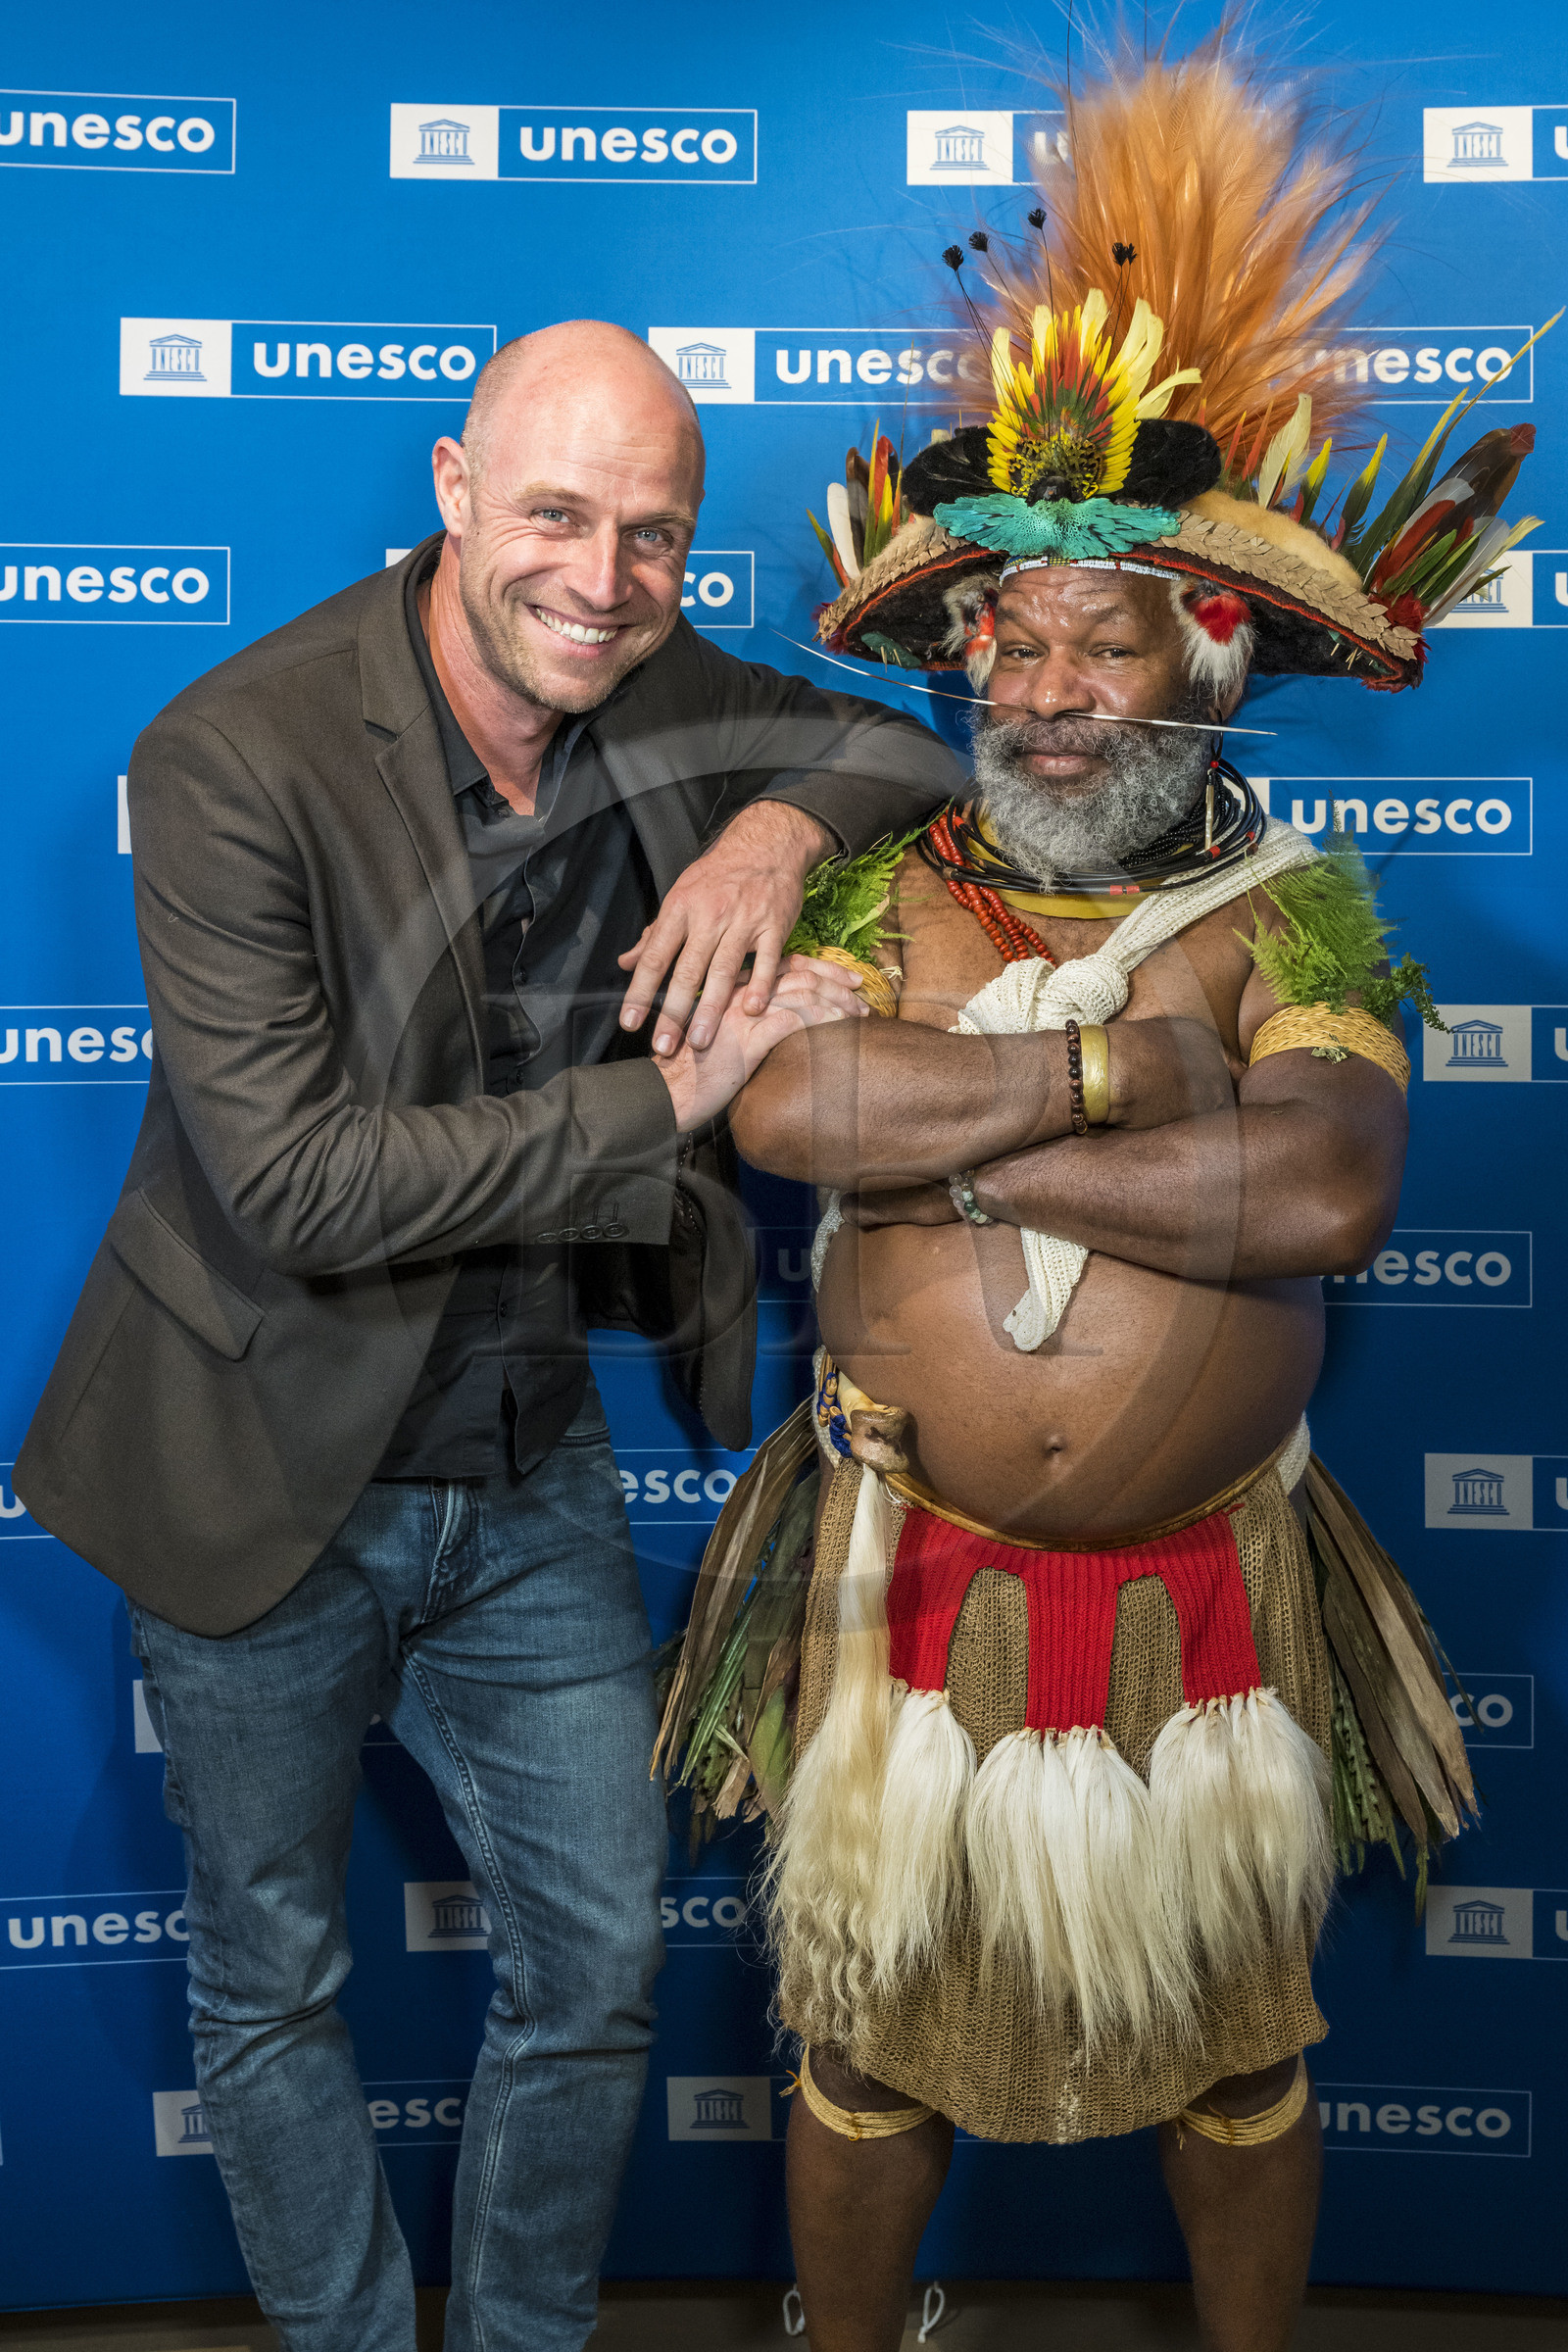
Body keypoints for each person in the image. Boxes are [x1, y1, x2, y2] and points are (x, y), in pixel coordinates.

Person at [660, 40, 1526, 2351]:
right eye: (1008, 645)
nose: (1043, 690)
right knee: (856, 2044)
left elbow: (1322, 1184)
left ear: (1200, 664)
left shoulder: (1295, 911)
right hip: (896, 1591)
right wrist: (1115, 1073)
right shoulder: (880, 886)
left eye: (1101, 640)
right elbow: (790, 1123)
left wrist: (986, 1122)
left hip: (1203, 1605)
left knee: (1236, 2057)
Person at [14, 319, 963, 2351]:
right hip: (252, 1459)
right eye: (553, 515)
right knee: (272, 1980)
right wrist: (673, 1107)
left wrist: (772, 830)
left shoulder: (650, 675)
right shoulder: (228, 753)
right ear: (452, 491)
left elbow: (911, 749)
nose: (601, 581)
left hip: (526, 1458)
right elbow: (304, 1189)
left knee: (598, 1957)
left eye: (653, 536)